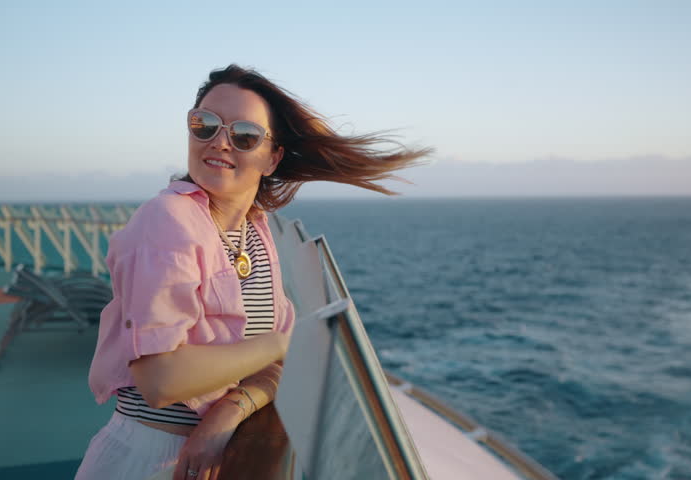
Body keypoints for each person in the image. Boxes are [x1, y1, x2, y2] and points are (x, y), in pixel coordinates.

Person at [74, 64, 431, 480]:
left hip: (208, 458)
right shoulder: (168, 218)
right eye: (204, 125)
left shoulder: (257, 232)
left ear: (272, 157)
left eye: (243, 135)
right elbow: (159, 379)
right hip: (149, 459)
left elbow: (274, 372)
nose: (219, 142)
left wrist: (232, 406)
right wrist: (279, 345)